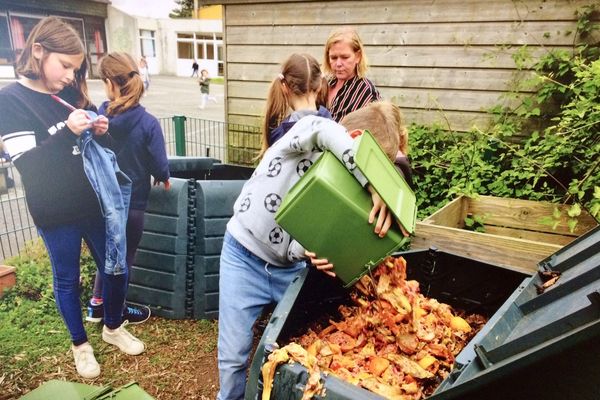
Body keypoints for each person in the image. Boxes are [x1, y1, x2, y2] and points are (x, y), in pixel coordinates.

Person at [216, 52, 407, 400]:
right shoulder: (312, 129)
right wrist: (373, 181)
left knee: (292, 354)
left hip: (285, 268)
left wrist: (305, 251)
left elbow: (297, 231)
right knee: (233, 359)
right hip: (242, 257)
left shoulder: (336, 182)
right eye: (366, 157)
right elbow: (325, 132)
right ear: (353, 138)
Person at [0, 16, 144, 379]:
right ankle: (81, 345)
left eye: (75, 68)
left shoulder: (67, 92)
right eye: (65, 65)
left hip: (93, 202)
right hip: (54, 211)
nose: (69, 75)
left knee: (115, 268)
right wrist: (67, 132)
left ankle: (112, 327)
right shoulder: (10, 101)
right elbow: (29, 166)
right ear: (38, 51)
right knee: (68, 280)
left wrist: (103, 131)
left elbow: (98, 152)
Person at [85, 52, 171, 325]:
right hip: (134, 201)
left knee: (106, 255)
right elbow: (159, 163)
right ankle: (118, 308)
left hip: (103, 201)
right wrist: (163, 176)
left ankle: (96, 305)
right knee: (125, 258)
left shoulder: (98, 118)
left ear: (110, 83)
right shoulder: (148, 123)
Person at [323, 27, 381, 123]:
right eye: (333, 58)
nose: (338, 63)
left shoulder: (366, 91)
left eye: (344, 57)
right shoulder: (324, 84)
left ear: (358, 56)